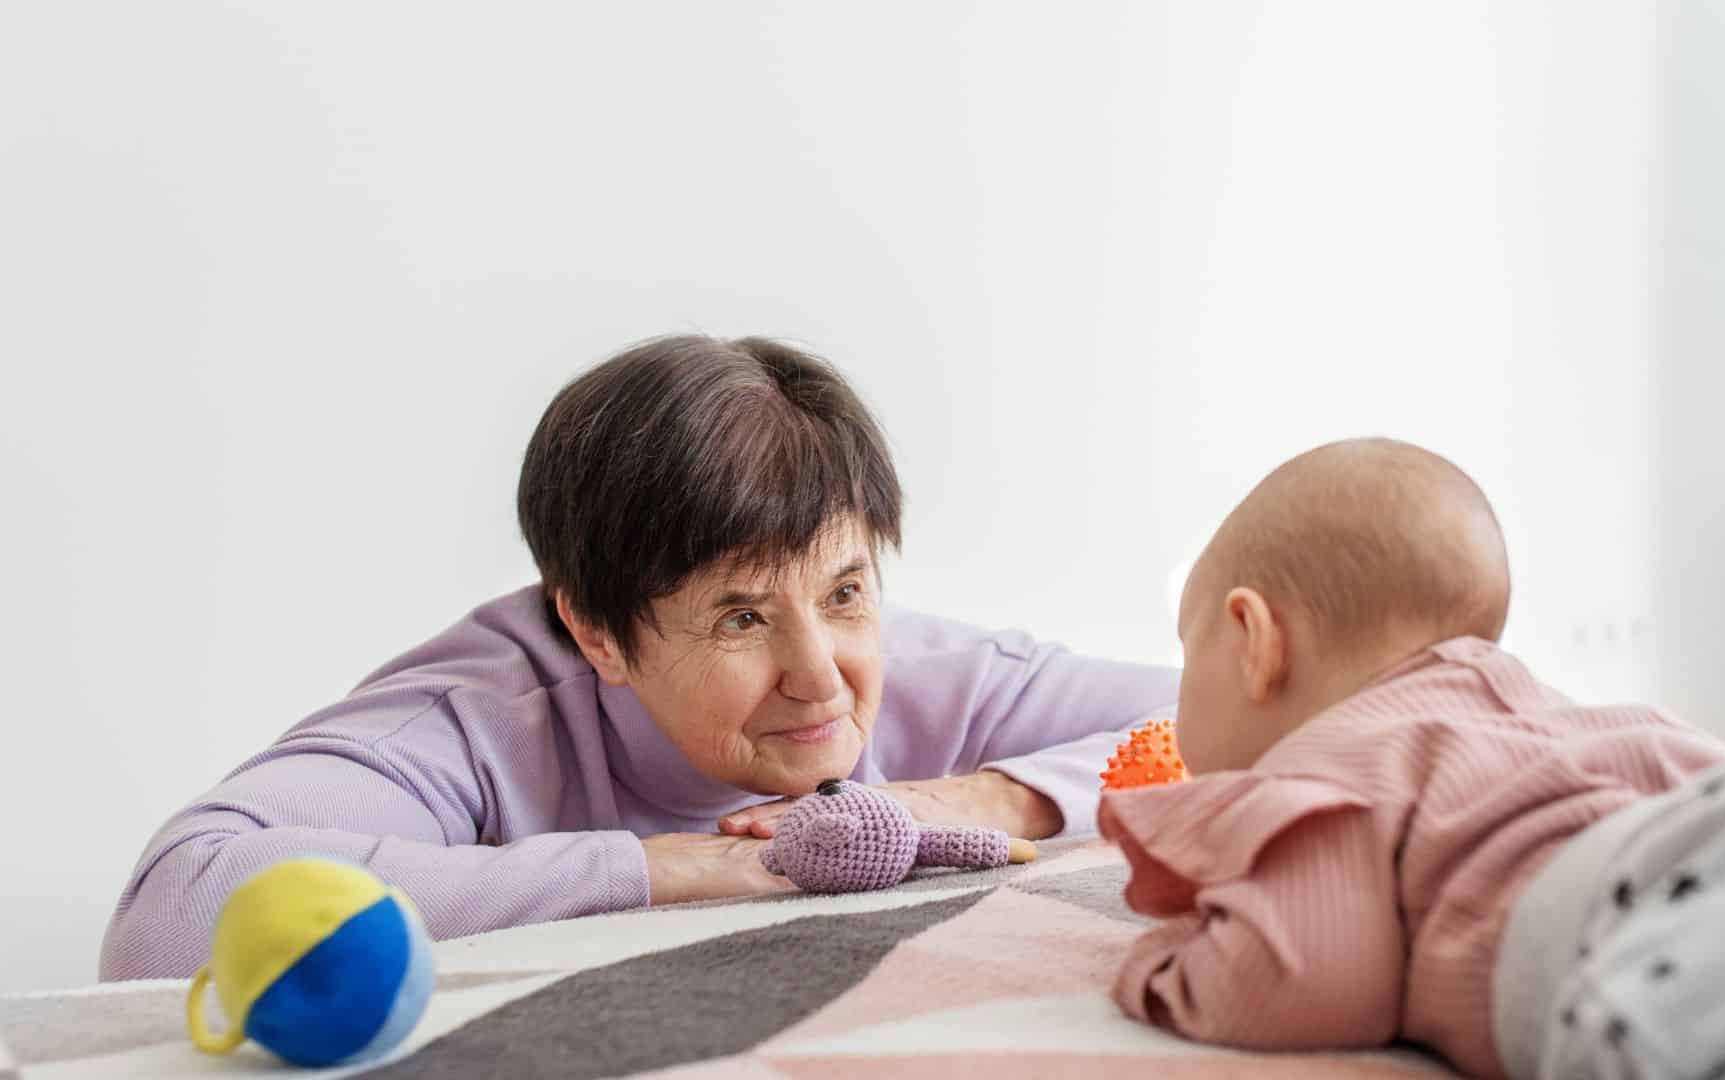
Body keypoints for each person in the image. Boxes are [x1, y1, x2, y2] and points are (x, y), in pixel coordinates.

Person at [101, 335, 1176, 980]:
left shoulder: (926, 672)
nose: (822, 677)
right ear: (596, 631)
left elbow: (1260, 720)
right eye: (742, 619)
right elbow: (172, 913)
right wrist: (675, 868)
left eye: (846, 593)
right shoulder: (485, 714)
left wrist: (987, 801)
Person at [1096, 438, 1725, 1078]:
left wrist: (1158, 964)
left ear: (1254, 641)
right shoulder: (1591, 720)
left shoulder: (1329, 770)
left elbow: (1301, 983)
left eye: (1189, 653)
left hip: (1646, 945)